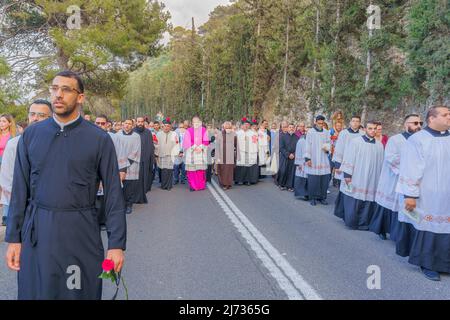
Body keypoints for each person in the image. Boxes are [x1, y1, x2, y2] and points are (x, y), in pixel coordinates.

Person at [5, 71, 126, 299]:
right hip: (38, 232)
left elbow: (113, 194)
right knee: (36, 293)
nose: (58, 95)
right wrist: (13, 238)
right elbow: (20, 192)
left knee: (78, 293)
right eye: (54, 88)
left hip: (79, 232)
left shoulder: (99, 139)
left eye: (66, 89)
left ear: (80, 97)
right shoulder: (32, 135)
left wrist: (116, 244)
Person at [395, 105, 450, 281]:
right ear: (432, 119)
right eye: (445, 114)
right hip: (428, 194)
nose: (449, 117)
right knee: (428, 226)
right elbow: (410, 168)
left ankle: (445, 263)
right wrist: (410, 195)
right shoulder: (418, 139)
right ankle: (428, 263)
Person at [369, 114, 422, 240]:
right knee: (389, 205)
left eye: (420, 123)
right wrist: (410, 166)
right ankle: (382, 229)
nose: (418, 126)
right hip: (393, 178)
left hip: (412, 180)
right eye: (415, 123)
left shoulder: (422, 141)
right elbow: (391, 157)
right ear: (405, 124)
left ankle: (400, 235)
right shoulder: (395, 139)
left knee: (403, 207)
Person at [1, 100, 52, 227]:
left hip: (51, 209)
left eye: (41, 115)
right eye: (32, 114)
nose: (35, 118)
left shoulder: (58, 143)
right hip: (22, 207)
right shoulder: (14, 144)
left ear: (51, 118)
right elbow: (6, 178)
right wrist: (20, 201)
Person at [339, 120, 384, 230]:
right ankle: (352, 222)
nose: (373, 131)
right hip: (357, 175)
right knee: (354, 198)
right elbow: (349, 157)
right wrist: (347, 175)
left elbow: (381, 163)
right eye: (370, 128)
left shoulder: (379, 145)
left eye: (374, 128)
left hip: (372, 178)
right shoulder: (356, 142)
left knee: (368, 200)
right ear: (364, 129)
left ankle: (364, 223)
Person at [332, 116, 363, 218]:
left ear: (359, 123)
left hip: (358, 166)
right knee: (345, 186)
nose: (355, 123)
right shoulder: (344, 133)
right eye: (353, 121)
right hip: (345, 165)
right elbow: (339, 149)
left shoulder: (362, 134)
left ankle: (354, 210)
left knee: (355, 187)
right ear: (350, 122)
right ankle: (342, 209)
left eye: (357, 121)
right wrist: (337, 165)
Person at [304, 115, 332, 206]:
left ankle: (322, 197)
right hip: (314, 158)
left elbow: (328, 143)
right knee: (313, 180)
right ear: (315, 122)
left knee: (324, 180)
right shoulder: (310, 132)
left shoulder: (326, 132)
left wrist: (327, 149)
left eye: (322, 123)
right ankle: (312, 198)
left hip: (323, 158)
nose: (320, 125)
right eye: (319, 123)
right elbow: (307, 145)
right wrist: (308, 158)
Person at [118, 119, 143, 214]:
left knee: (130, 187)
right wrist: (120, 164)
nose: (127, 125)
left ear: (132, 125)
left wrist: (126, 163)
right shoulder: (117, 135)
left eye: (129, 124)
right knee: (120, 186)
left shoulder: (136, 136)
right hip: (119, 165)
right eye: (125, 123)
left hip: (131, 165)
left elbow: (136, 151)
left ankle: (129, 204)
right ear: (122, 124)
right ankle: (121, 204)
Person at [183, 116, 210, 191]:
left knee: (200, 171)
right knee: (192, 172)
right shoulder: (188, 131)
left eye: (197, 122)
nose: (196, 123)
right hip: (192, 153)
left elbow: (206, 141)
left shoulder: (204, 130)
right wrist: (195, 147)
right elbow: (187, 141)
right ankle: (193, 186)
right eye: (194, 122)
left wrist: (201, 147)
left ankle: (200, 186)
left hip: (201, 153)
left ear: (200, 122)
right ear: (192, 123)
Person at [155, 118, 179, 191]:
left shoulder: (174, 134)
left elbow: (176, 144)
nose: (166, 127)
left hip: (170, 155)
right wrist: (156, 154)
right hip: (161, 154)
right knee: (163, 170)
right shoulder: (158, 134)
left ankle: (168, 185)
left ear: (170, 127)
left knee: (169, 170)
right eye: (165, 126)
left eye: (168, 126)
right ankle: (163, 185)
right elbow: (156, 144)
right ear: (162, 126)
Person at [234, 117, 259, 186]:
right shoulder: (237, 133)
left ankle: (248, 180)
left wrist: (255, 151)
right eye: (245, 124)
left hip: (250, 151)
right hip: (241, 152)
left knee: (249, 166)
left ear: (249, 126)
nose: (246, 126)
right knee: (240, 166)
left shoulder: (253, 133)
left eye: (247, 125)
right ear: (242, 125)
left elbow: (255, 142)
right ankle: (239, 180)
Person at [134, 116, 155, 193]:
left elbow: (151, 146)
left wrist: (152, 159)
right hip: (135, 159)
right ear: (136, 122)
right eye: (138, 122)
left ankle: (144, 189)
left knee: (146, 175)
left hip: (146, 158)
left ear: (144, 122)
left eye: (141, 122)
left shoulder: (148, 132)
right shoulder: (133, 132)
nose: (140, 123)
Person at [215, 121, 238, 190]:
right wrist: (217, 156)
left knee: (229, 171)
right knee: (221, 170)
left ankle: (227, 184)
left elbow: (237, 145)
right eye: (226, 127)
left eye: (229, 127)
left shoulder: (234, 134)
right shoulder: (220, 134)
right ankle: (222, 183)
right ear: (224, 128)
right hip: (221, 156)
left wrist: (237, 156)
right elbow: (217, 146)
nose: (228, 129)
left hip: (230, 156)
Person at [278, 124, 299, 191]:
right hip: (285, 157)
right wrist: (288, 154)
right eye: (290, 127)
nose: (291, 128)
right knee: (283, 171)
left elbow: (298, 148)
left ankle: (289, 186)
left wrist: (294, 154)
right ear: (287, 128)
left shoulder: (297, 137)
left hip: (293, 157)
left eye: (293, 127)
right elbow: (281, 147)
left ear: (294, 129)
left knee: (291, 172)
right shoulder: (282, 136)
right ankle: (282, 184)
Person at [294, 129, 308, 200]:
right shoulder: (301, 141)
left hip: (310, 163)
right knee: (301, 178)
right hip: (301, 162)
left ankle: (308, 194)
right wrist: (299, 163)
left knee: (308, 179)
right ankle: (302, 194)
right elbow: (298, 152)